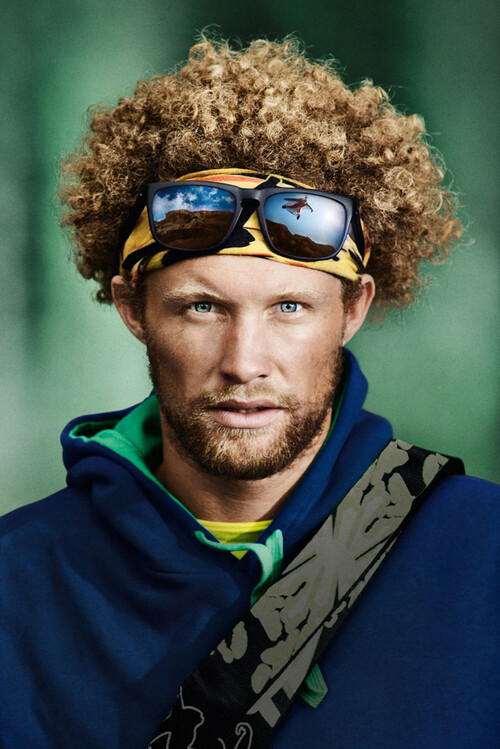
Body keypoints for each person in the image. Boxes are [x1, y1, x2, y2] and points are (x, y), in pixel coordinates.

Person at [1, 38, 498, 749]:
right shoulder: (16, 583)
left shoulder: (484, 553)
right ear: (133, 309)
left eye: (289, 307)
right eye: (202, 307)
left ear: (353, 310)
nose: (244, 362)